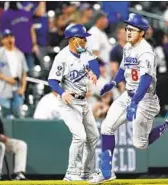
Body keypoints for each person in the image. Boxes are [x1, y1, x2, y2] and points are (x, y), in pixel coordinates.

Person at [89, 13, 168, 184]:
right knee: (106, 127)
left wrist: (135, 103)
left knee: (140, 145)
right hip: (129, 94)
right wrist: (112, 83)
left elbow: (146, 79)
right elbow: (122, 69)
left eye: (132, 29)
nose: (128, 32)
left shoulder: (146, 52)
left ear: (142, 33)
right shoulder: (127, 47)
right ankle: (106, 172)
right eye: (127, 28)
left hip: (145, 99)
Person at [47, 24, 100, 181]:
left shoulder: (85, 52)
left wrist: (94, 73)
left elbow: (95, 65)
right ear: (73, 39)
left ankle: (86, 173)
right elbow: (52, 80)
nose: (85, 40)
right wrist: (62, 93)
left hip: (83, 102)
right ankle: (71, 173)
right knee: (80, 137)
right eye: (82, 38)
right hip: (68, 102)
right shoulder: (62, 57)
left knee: (93, 136)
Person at [0, 29, 28, 118]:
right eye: (6, 37)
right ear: (2, 40)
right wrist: (8, 79)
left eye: (11, 37)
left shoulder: (19, 54)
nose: (9, 39)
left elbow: (24, 73)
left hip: (17, 90)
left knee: (18, 116)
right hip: (3, 89)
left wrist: (23, 88)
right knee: (4, 116)